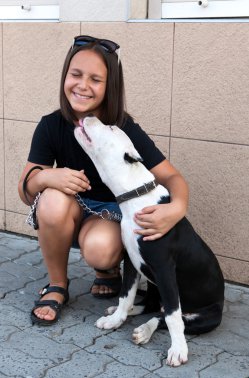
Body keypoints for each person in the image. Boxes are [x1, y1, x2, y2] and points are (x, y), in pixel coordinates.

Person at [18, 35, 189, 326]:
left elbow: (171, 176)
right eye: (76, 74)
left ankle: (108, 271)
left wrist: (177, 208)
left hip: (108, 216)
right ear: (65, 76)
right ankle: (57, 284)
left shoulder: (122, 128)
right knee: (50, 199)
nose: (83, 85)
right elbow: (26, 190)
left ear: (109, 86)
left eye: (95, 79)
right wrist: (47, 176)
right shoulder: (51, 125)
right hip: (71, 210)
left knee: (100, 250)